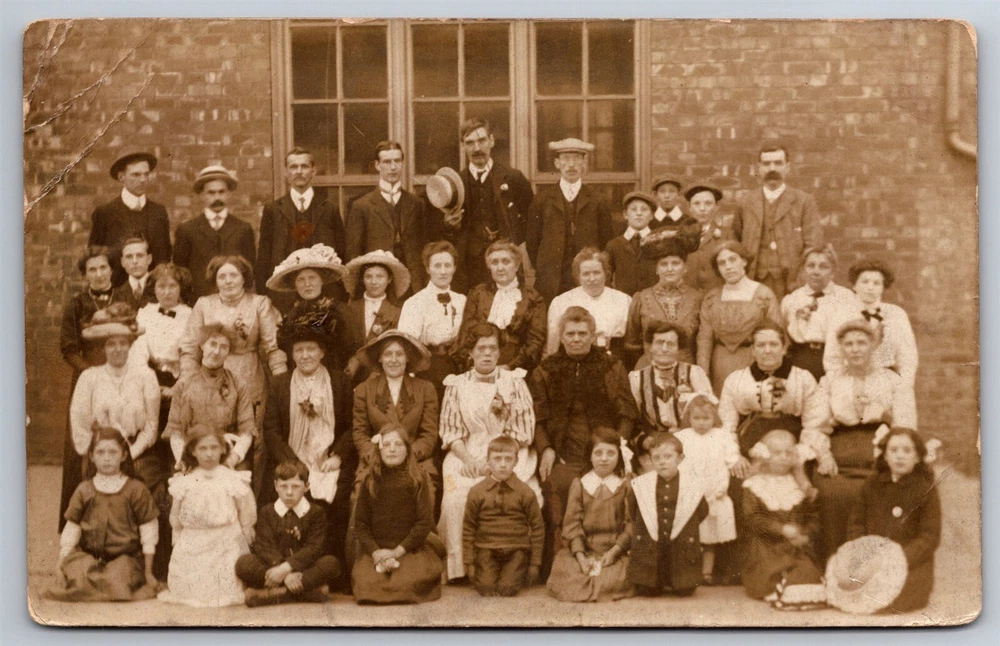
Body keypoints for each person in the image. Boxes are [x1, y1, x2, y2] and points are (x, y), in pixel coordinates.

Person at [531, 306, 638, 571]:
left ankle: (607, 559)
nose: (576, 339)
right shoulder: (546, 370)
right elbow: (538, 418)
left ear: (593, 335)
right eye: (570, 334)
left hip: (604, 453)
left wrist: (617, 448)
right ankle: (563, 562)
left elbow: (627, 413)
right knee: (558, 485)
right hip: (564, 453)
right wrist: (546, 448)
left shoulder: (611, 366)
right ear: (561, 336)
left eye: (582, 333)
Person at [438, 323, 541, 581]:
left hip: (509, 452)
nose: (487, 354)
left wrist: (496, 461)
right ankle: (461, 568)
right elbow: (451, 431)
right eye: (481, 348)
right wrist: (470, 459)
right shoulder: (456, 385)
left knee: (527, 496)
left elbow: (523, 430)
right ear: (470, 352)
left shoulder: (514, 382)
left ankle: (514, 566)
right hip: (467, 452)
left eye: (493, 348)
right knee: (455, 498)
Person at [814, 319, 918, 559]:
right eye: (848, 344)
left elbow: (905, 426)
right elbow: (816, 426)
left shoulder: (892, 380)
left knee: (878, 493)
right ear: (841, 348)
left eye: (861, 343)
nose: (855, 349)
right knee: (831, 493)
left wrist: (892, 456)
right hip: (839, 450)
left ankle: (876, 564)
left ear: (873, 345)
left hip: (880, 449)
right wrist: (824, 455)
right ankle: (836, 563)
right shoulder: (830, 381)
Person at [262, 319, 354, 568]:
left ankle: (329, 567)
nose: (305, 355)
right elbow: (271, 431)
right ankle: (290, 564)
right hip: (291, 457)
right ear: (292, 355)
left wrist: (338, 456)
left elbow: (351, 426)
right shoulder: (280, 384)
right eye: (299, 350)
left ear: (322, 352)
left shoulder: (339, 381)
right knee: (286, 488)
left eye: (311, 349)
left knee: (337, 497)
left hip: (328, 459)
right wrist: (292, 462)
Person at [178, 255, 287, 460]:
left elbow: (273, 347)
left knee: (252, 435)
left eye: (233, 275)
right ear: (215, 280)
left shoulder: (259, 303)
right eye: (222, 276)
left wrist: (282, 384)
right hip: (210, 376)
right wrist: (187, 380)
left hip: (250, 374)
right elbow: (190, 348)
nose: (228, 281)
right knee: (210, 434)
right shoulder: (204, 304)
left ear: (244, 278)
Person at [68, 304, 161, 517]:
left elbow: (151, 427)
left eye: (123, 343)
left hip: (137, 453)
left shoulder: (146, 376)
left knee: (144, 498)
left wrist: (130, 454)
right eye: (111, 344)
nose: (118, 349)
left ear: (130, 345)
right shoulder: (89, 377)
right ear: (103, 348)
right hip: (101, 455)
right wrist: (100, 454)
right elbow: (80, 425)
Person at [46, 427, 160, 602]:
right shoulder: (84, 490)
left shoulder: (136, 489)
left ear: (124, 455)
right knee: (78, 572)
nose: (106, 458)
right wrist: (60, 563)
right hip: (89, 556)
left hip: (125, 558)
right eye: (100, 452)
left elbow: (149, 532)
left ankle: (100, 586)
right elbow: (72, 530)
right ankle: (95, 584)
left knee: (120, 577)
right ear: (92, 456)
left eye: (113, 452)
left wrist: (148, 572)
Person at [844, 428, 941, 613]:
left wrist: (899, 559)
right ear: (885, 456)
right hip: (873, 560)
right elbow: (856, 524)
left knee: (896, 599)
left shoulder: (925, 489)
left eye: (907, 450)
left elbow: (930, 537)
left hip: (910, 563)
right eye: (894, 450)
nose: (900, 456)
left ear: (918, 457)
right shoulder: (872, 484)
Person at [158, 427, 257, 607]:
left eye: (214, 447)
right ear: (193, 451)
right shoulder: (185, 480)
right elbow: (176, 515)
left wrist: (246, 528)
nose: (209, 454)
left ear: (223, 449)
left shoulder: (232, 478)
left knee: (226, 584)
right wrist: (177, 534)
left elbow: (245, 509)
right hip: (194, 539)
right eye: (203, 448)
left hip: (225, 540)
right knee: (191, 586)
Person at [436, 118, 534, 293]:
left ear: (491, 141)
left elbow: (531, 218)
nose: (477, 148)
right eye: (470, 143)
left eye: (481, 140)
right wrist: (449, 225)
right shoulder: (455, 184)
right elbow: (442, 230)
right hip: (468, 270)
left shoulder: (513, 178)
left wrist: (512, 240)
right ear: (462, 146)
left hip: (505, 265)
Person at [351, 425, 444, 604]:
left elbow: (423, 523)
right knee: (367, 585)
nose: (392, 449)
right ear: (379, 450)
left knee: (407, 584)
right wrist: (376, 553)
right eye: (386, 445)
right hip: (377, 549)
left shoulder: (418, 479)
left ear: (407, 449)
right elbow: (361, 524)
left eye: (398, 444)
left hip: (409, 549)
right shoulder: (370, 480)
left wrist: (397, 551)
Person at [59, 246, 116, 527]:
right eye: (92, 269)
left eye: (103, 267)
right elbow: (68, 348)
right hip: (87, 378)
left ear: (111, 270)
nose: (98, 274)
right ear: (85, 274)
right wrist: (92, 373)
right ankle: (77, 521)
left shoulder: (124, 299)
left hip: (119, 376)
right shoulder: (76, 304)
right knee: (81, 445)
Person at [236, 459, 343, 607]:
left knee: (331, 564)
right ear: (276, 486)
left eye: (295, 486)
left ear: (307, 486)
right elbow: (264, 546)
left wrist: (287, 568)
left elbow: (314, 547)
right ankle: (306, 592)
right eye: (284, 486)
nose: (289, 492)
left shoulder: (316, 513)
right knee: (244, 563)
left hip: (303, 569)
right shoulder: (267, 512)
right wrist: (283, 573)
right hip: (274, 568)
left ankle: (275, 594)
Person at [546, 427, 634, 602]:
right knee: (565, 570)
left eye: (610, 453)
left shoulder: (625, 486)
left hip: (614, 552)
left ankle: (601, 584)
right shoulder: (580, 485)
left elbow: (631, 523)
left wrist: (615, 551)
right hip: (585, 550)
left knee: (624, 573)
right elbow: (572, 525)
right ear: (590, 456)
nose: (604, 458)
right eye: (598, 453)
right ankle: (592, 581)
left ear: (619, 456)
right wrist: (581, 557)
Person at [741, 430, 825, 609]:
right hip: (766, 545)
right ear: (765, 455)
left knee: (808, 572)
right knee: (776, 571)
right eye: (777, 453)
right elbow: (752, 519)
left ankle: (797, 591)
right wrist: (781, 529)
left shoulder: (799, 485)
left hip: (795, 545)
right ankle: (781, 589)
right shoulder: (755, 485)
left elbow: (812, 517)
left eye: (788, 453)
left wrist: (805, 536)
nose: (783, 458)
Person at [256, 147, 347, 308]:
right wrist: (264, 295)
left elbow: (341, 253)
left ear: (313, 171)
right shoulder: (273, 210)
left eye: (304, 166)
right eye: (293, 167)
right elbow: (264, 255)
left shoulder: (329, 209)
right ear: (286, 172)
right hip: (284, 296)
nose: (299, 171)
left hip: (324, 294)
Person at [526, 137, 614, 302]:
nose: (571, 165)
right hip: (552, 280)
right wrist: (546, 268)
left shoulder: (598, 200)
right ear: (557, 163)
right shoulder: (542, 200)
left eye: (576, 159)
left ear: (584, 163)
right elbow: (532, 243)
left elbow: (606, 242)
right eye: (566, 159)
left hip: (587, 278)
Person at [352, 330, 439, 492]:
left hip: (415, 461)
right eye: (388, 354)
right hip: (375, 462)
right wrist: (379, 457)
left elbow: (429, 434)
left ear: (407, 358)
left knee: (423, 494)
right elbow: (360, 433)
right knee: (363, 495)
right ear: (380, 358)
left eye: (399, 354)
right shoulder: (364, 389)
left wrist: (405, 457)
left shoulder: (425, 389)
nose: (393, 360)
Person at [733, 143, 822, 301]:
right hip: (754, 282)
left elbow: (813, 246)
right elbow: (735, 243)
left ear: (787, 167)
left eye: (778, 163)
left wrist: (801, 281)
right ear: (759, 168)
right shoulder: (745, 202)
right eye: (766, 164)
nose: (772, 168)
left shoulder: (804, 202)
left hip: (791, 284)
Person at [163, 324, 257, 471]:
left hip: (226, 455)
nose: (216, 352)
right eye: (212, 344)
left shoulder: (238, 384)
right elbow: (175, 431)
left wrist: (231, 460)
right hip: (192, 455)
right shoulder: (184, 385)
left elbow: (247, 430)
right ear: (202, 346)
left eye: (224, 347)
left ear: (228, 352)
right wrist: (182, 459)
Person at [625, 433, 708, 597]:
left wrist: (685, 526)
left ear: (680, 458)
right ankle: (652, 583)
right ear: (650, 460)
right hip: (651, 542)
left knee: (685, 589)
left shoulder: (692, 485)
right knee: (648, 590)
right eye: (656, 457)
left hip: (681, 541)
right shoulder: (641, 485)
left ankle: (681, 582)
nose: (662, 461)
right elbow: (633, 509)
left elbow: (702, 510)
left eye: (668, 456)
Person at [463, 435, 545, 597]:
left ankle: (511, 574)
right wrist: (469, 562)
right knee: (485, 588)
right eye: (497, 459)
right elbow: (468, 528)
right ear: (488, 461)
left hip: (516, 549)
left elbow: (537, 527)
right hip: (487, 548)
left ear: (516, 461)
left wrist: (534, 563)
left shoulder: (525, 492)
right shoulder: (477, 492)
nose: (502, 464)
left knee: (507, 589)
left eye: (508, 459)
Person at [697, 241, 781, 394]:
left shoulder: (764, 295)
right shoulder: (711, 298)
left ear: (744, 261)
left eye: (733, 259)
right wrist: (702, 375)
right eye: (722, 263)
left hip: (754, 362)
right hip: (720, 365)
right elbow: (704, 339)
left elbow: (776, 336)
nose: (728, 266)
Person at [345, 140, 427, 292]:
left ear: (402, 163)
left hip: (413, 286)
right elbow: (353, 255)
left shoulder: (417, 203)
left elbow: (424, 247)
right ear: (377, 165)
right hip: (378, 286)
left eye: (397, 161)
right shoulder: (361, 206)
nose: (393, 167)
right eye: (387, 162)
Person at [674, 394, 738, 585]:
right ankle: (688, 571)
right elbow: (674, 459)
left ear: (714, 417)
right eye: (696, 418)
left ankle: (707, 572)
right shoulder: (682, 437)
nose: (701, 423)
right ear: (689, 418)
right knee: (691, 535)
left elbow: (732, 458)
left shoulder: (722, 436)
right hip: (689, 493)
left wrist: (720, 488)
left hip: (714, 492)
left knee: (710, 536)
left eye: (706, 418)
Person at [456, 239, 547, 374]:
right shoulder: (478, 293)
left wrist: (509, 366)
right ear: (489, 267)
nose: (500, 268)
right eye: (494, 262)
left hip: (515, 366)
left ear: (516, 265)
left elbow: (535, 342)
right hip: (478, 364)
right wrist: (473, 364)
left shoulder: (533, 298)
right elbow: (466, 333)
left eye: (506, 262)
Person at [823, 259, 919, 388]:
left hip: (888, 383)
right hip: (852, 383)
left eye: (876, 283)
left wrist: (902, 386)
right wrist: (840, 388)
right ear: (854, 286)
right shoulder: (841, 315)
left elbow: (907, 358)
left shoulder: (896, 314)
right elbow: (832, 359)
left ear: (883, 287)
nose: (870, 287)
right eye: (865, 282)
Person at [628, 322, 713, 459]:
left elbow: (708, 412)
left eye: (671, 344)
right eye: (659, 343)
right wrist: (645, 440)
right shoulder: (637, 378)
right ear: (650, 347)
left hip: (689, 442)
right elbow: (632, 418)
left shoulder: (694, 373)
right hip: (653, 444)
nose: (664, 348)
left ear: (678, 349)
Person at [88, 151, 171, 287]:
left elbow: (164, 257)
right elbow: (95, 257)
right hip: (116, 289)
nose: (143, 179)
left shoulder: (159, 212)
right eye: (136, 175)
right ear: (121, 177)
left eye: (146, 174)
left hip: (153, 291)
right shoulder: (105, 213)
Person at [173, 165, 256, 300]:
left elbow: (249, 272)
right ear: (201, 195)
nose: (217, 197)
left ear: (228, 194)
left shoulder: (243, 229)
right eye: (211, 193)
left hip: (235, 301)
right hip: (198, 301)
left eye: (221, 192)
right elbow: (180, 273)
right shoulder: (187, 230)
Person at [397, 241, 466, 399]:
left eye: (447, 265)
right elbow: (407, 346)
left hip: (460, 367)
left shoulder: (462, 300)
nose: (443, 271)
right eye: (437, 266)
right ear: (428, 268)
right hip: (429, 369)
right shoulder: (415, 303)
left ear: (454, 268)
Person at [780, 244, 859, 381]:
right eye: (811, 266)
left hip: (836, 360)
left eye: (823, 267)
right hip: (801, 359)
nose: (816, 271)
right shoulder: (792, 299)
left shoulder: (846, 298)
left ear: (833, 271)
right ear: (803, 270)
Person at [624, 231, 702, 369]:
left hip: (687, 372)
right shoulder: (641, 298)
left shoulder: (698, 299)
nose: (669, 269)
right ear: (656, 269)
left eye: (675, 263)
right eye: (664, 264)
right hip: (649, 371)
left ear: (685, 268)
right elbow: (632, 344)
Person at [267, 243, 346, 371]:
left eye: (312, 277)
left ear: (321, 280)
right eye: (301, 280)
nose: (307, 284)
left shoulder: (338, 310)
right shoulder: (290, 313)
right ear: (295, 284)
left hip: (332, 372)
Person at [544, 247, 631, 359]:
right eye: (586, 274)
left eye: (597, 273)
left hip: (615, 359)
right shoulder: (561, 302)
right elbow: (553, 346)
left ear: (606, 274)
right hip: (574, 360)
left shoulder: (624, 300)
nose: (592, 278)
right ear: (578, 276)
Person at [338, 249, 408, 386]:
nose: (374, 282)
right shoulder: (349, 308)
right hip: (350, 375)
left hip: (381, 376)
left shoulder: (396, 312)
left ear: (389, 279)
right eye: (368, 276)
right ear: (362, 279)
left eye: (380, 276)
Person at [682, 181, 737, 292]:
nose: (702, 208)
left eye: (708, 203)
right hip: (686, 296)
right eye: (697, 204)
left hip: (717, 295)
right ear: (689, 207)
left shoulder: (727, 235)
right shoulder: (680, 236)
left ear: (716, 206)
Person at [603, 191, 658, 297]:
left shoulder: (659, 243)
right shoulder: (613, 245)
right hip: (623, 302)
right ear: (625, 214)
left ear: (651, 215)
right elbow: (605, 277)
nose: (639, 213)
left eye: (644, 209)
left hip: (653, 301)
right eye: (633, 209)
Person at [649, 174, 700, 249]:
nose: (667, 195)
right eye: (662, 191)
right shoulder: (648, 221)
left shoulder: (688, 222)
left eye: (672, 191)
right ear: (655, 195)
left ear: (678, 194)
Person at [112, 237, 157, 309]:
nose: (135, 261)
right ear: (123, 262)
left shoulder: (160, 288)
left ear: (149, 259)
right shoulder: (115, 295)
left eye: (140, 255)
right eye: (129, 257)